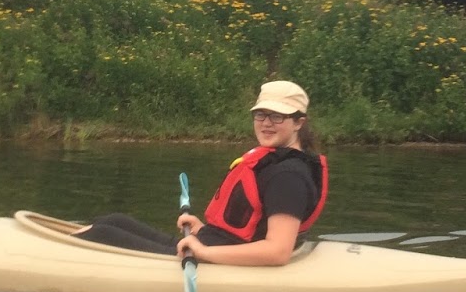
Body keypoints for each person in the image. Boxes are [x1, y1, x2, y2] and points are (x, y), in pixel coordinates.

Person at [74, 80, 328, 266]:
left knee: (103, 234)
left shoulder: (288, 177)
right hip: (211, 244)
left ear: (299, 122)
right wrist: (204, 230)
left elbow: (277, 252)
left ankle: (59, 255)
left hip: (211, 259)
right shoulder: (274, 163)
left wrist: (204, 252)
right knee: (115, 221)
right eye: (261, 115)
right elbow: (252, 228)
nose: (266, 123)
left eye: (277, 117)